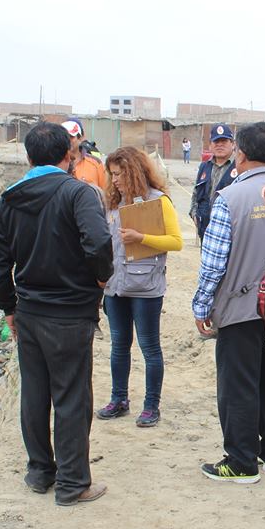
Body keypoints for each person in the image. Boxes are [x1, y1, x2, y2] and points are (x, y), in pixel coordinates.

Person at [0, 121, 112, 506]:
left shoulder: (10, 198)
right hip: (71, 312)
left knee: (35, 393)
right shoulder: (78, 193)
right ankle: (73, 484)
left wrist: (9, 306)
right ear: (68, 155)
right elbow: (99, 242)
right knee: (72, 397)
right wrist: (101, 278)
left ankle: (40, 472)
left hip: (29, 311)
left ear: (28, 157)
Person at [192, 122, 265, 483]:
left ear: (241, 154)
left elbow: (214, 262)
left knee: (238, 386)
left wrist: (202, 306)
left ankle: (241, 461)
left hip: (239, 308)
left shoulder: (230, 198)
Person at [95, 147, 183, 427]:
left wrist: (141, 237)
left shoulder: (158, 201)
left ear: (133, 172)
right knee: (119, 346)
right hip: (115, 287)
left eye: (119, 174)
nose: (114, 180)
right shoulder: (111, 203)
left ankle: (151, 406)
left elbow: (176, 242)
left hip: (146, 288)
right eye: (111, 174)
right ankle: (119, 399)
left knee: (149, 347)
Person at [191, 124, 237, 240]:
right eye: (216, 141)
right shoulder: (204, 166)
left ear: (233, 144)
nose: (219, 145)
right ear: (210, 145)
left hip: (229, 230)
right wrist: (195, 214)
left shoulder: (239, 166)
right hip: (205, 228)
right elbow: (196, 193)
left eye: (224, 141)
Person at [61, 119, 106, 190]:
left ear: (81, 137)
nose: (67, 140)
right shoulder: (55, 163)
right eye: (64, 137)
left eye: (71, 136)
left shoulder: (95, 163)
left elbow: (104, 192)